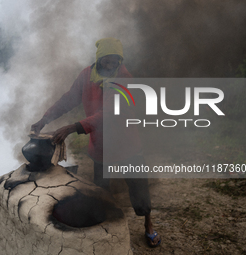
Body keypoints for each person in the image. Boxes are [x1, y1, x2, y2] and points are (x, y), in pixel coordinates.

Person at [31, 37, 161, 247]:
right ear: (99, 59)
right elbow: (68, 99)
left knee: (139, 188)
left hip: (126, 145)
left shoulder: (124, 78)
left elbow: (109, 114)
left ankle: (148, 225)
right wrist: (44, 120)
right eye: (107, 61)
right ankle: (108, 227)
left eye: (115, 61)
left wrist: (73, 127)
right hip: (101, 146)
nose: (111, 65)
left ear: (120, 61)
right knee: (101, 190)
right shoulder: (86, 76)